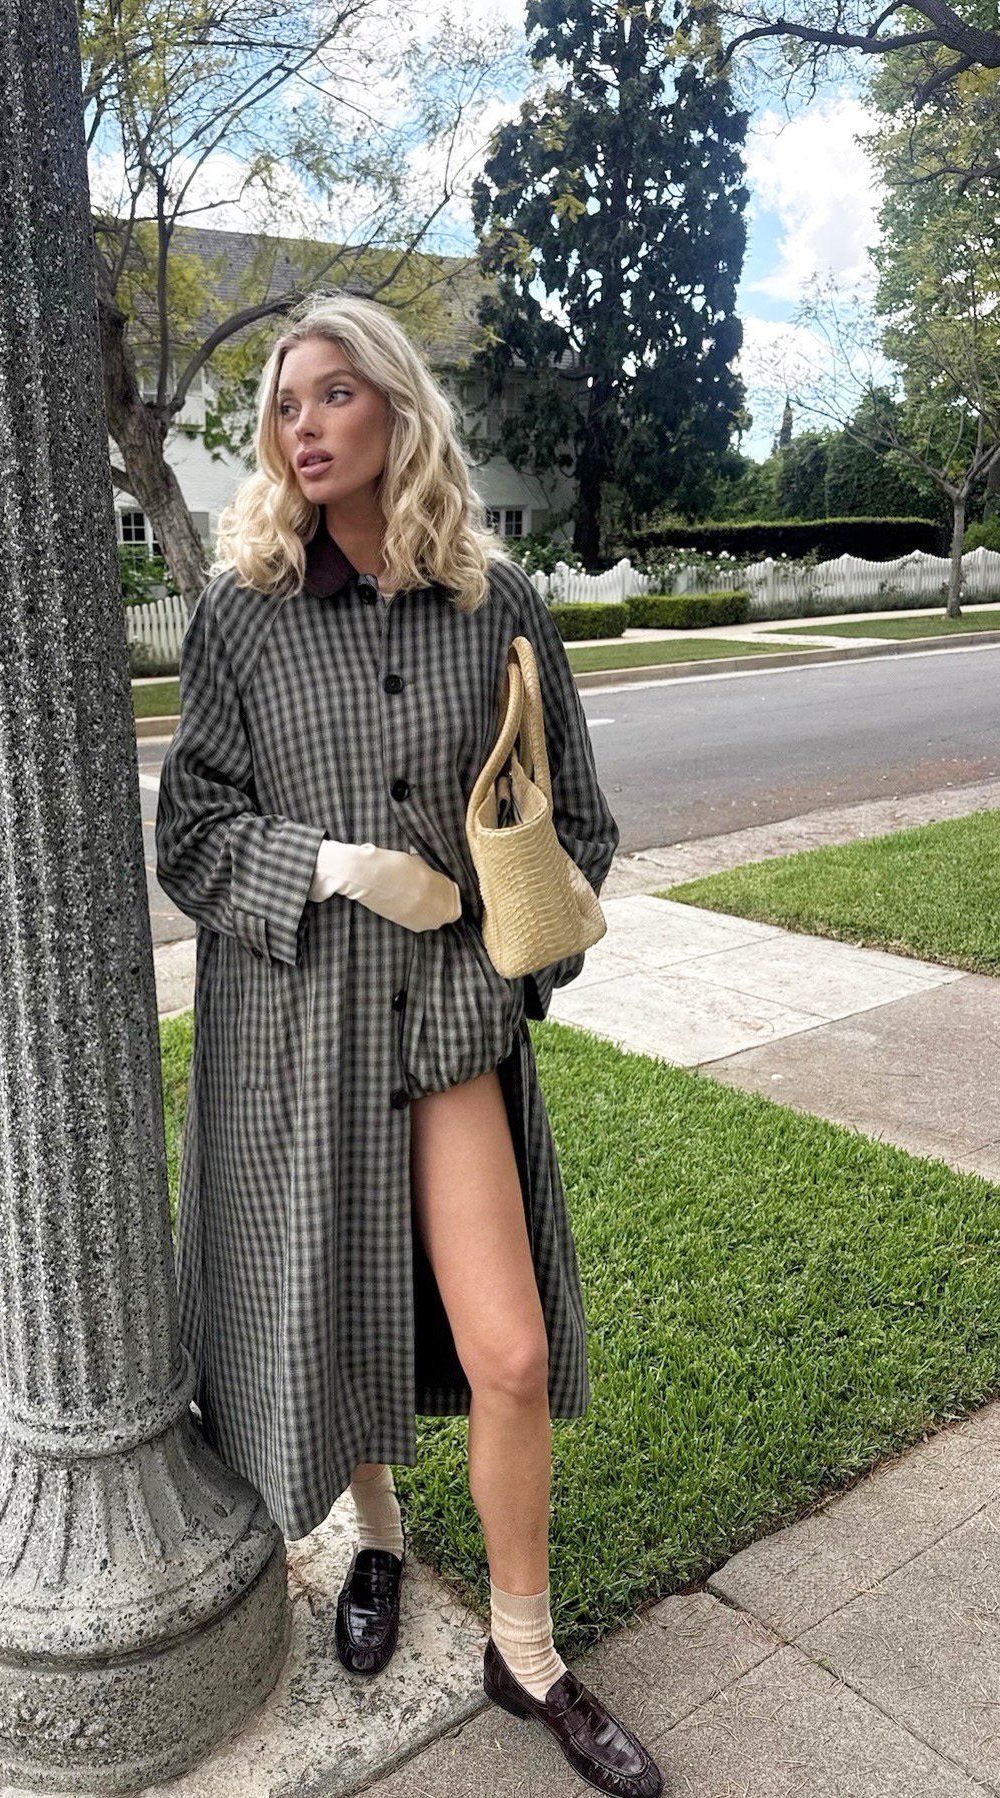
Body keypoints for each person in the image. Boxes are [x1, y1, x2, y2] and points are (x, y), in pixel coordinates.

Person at [154, 292, 660, 1798]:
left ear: (395, 406)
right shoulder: (242, 612)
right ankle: (376, 1540)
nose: (301, 426)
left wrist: (508, 947)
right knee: (342, 1311)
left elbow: (580, 820)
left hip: (446, 1019)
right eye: (282, 404)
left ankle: (527, 1650)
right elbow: (191, 833)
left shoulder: (496, 605)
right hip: (302, 1020)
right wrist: (336, 866)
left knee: (509, 1349)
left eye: (331, 393)